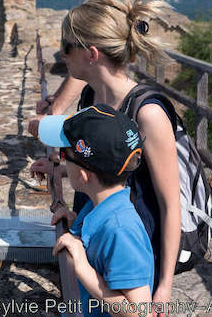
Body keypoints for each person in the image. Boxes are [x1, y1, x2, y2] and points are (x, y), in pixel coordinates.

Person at [31, 0, 180, 315]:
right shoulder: (90, 96)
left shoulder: (148, 114)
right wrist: (59, 169)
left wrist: (165, 286)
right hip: (96, 239)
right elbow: (93, 160)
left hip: (130, 260)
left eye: (67, 46)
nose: (62, 55)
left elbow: (170, 204)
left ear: (91, 54)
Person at [39, 104, 153, 317]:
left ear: (84, 175)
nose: (60, 159)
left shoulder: (120, 229)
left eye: (64, 153)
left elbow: (140, 313)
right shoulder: (100, 205)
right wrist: (75, 224)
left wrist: (82, 267)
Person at [27, 0, 112, 138]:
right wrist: (54, 99)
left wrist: (52, 114)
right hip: (101, 108)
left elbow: (90, 64)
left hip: (106, 114)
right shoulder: (105, 6)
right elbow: (80, 67)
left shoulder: (100, 13)